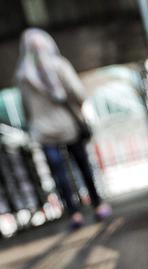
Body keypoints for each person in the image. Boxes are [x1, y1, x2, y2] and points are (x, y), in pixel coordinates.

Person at [15, 28, 111, 231]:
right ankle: (98, 204)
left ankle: (74, 214)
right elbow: (78, 93)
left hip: (43, 131)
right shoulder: (59, 65)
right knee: (83, 166)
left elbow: (25, 108)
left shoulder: (23, 74)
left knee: (59, 174)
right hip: (68, 125)